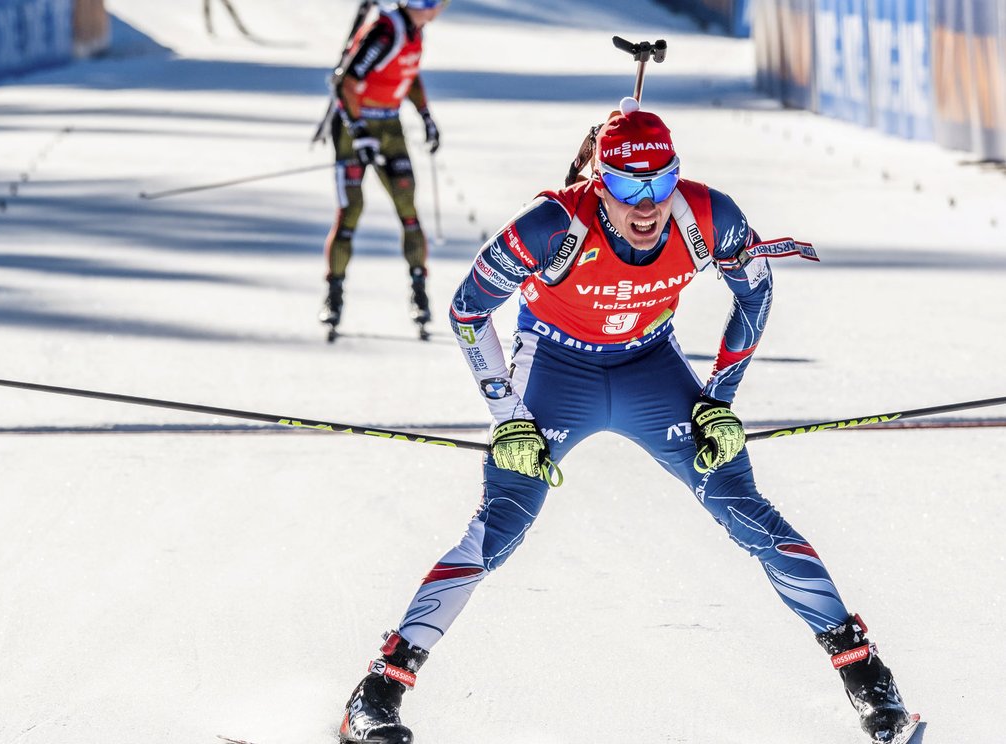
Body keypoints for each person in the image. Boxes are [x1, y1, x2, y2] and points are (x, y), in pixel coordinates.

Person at [337, 98, 914, 744]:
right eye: (626, 186)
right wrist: (507, 419)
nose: (647, 205)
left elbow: (756, 288)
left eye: (661, 181)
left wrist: (718, 401)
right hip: (556, 368)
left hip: (649, 368)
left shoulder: (707, 216)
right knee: (498, 529)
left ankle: (870, 685)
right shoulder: (551, 226)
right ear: (598, 184)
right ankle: (378, 692)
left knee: (745, 510)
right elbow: (469, 310)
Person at [319, 0, 447, 337]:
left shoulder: (413, 32)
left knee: (408, 209)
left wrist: (425, 116)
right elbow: (346, 83)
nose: (437, 9)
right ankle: (334, 296)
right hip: (355, 127)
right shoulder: (387, 30)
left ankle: (419, 294)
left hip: (389, 125)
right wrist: (359, 134)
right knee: (350, 211)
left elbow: (408, 73)